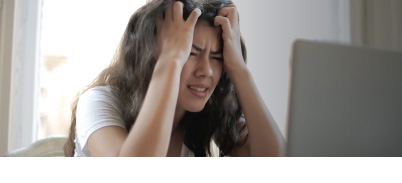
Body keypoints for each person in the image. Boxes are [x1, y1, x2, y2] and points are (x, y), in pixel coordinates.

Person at [63, 0, 285, 157]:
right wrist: (170, 59)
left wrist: (238, 68)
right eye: (189, 53)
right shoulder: (98, 101)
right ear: (151, 54)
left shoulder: (209, 112)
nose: (206, 71)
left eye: (217, 57)